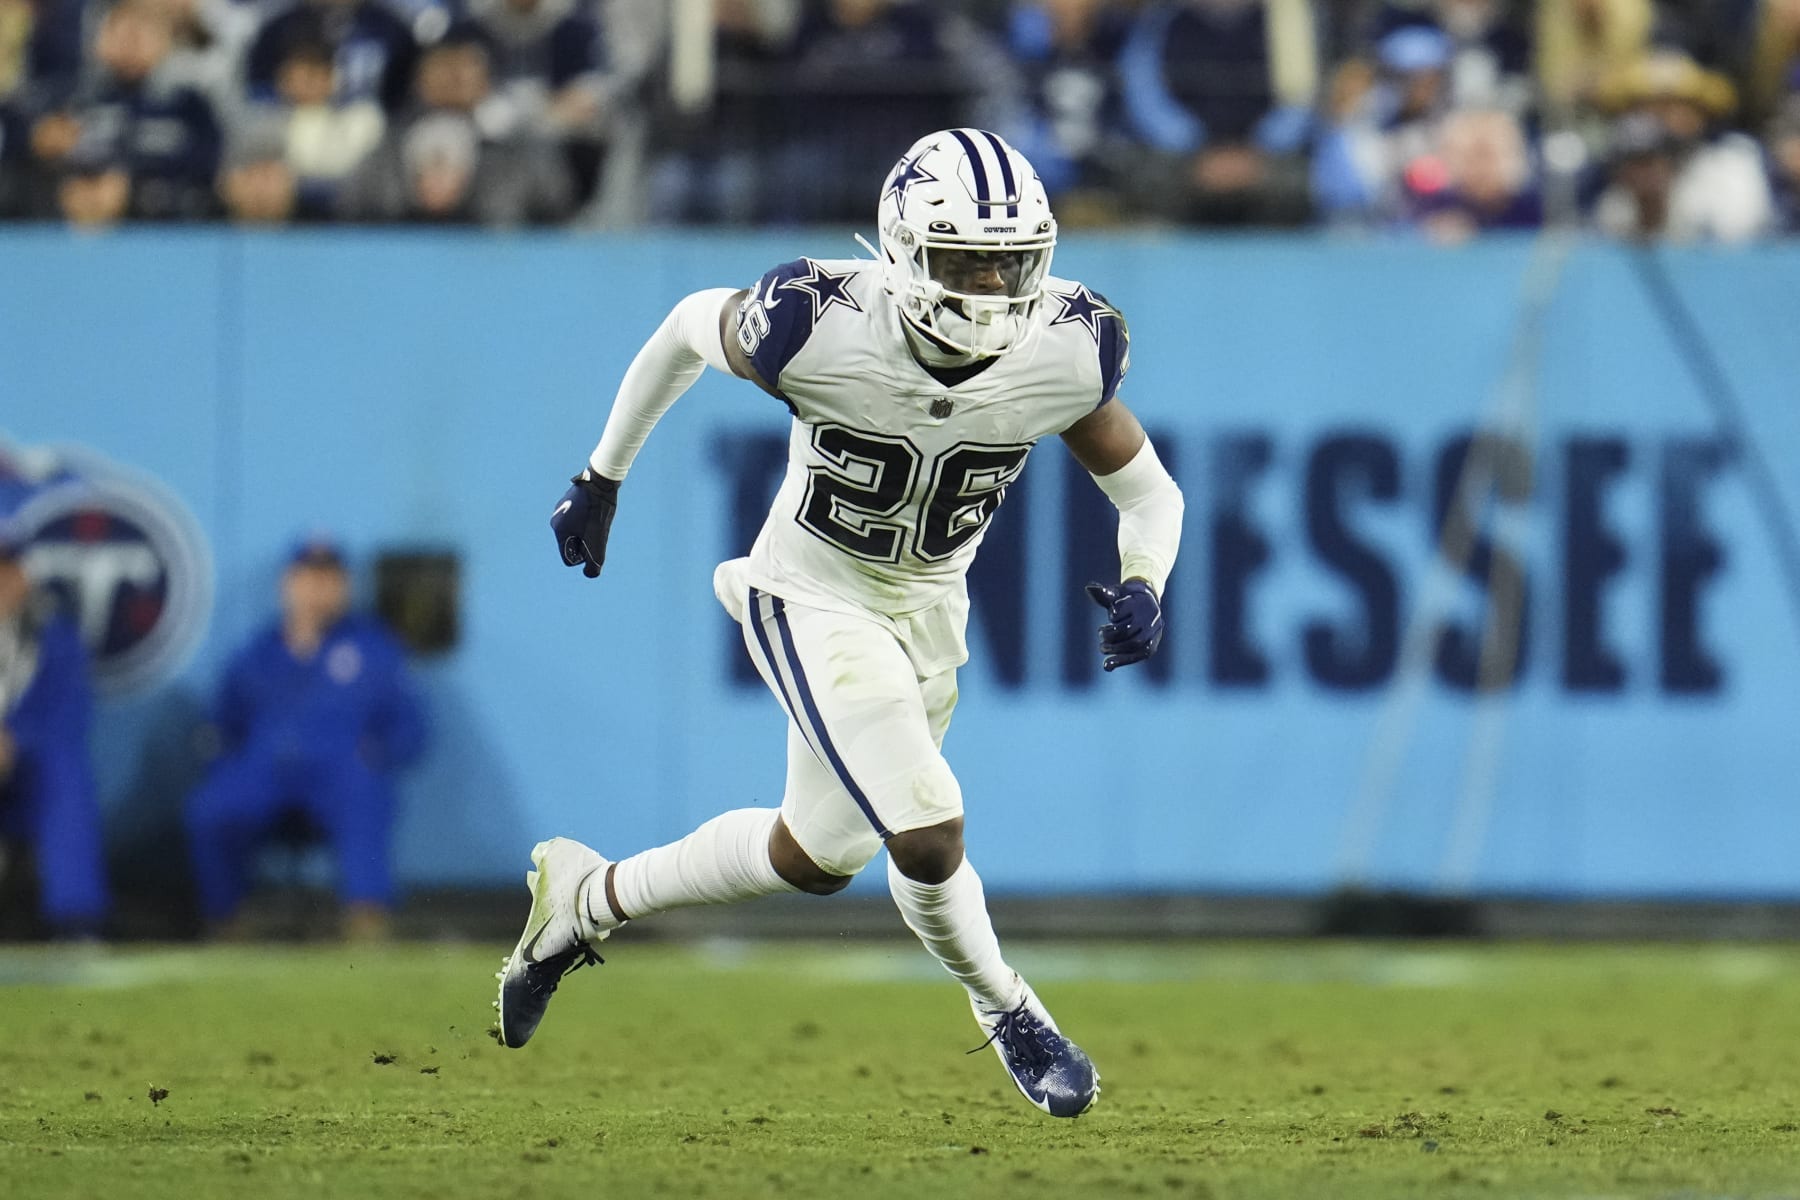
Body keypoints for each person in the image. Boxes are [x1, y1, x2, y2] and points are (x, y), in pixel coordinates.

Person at [499, 128, 1184, 1120]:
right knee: (929, 825)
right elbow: (689, 326)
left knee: (814, 858)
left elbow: (1149, 494)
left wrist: (1146, 579)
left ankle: (585, 899)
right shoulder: (816, 320)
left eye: (1010, 260)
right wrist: (601, 474)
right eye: (963, 260)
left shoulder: (1068, 348)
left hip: (929, 612)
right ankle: (1012, 1010)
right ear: (904, 250)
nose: (991, 287)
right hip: (811, 594)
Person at [184, 538, 426, 940]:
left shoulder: (375, 650)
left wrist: (377, 754)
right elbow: (222, 725)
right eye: (308, 578)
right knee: (212, 806)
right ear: (288, 584)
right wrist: (225, 761)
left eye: (330, 579)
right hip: (265, 771)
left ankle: (367, 921)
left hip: (339, 772)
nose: (318, 589)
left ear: (345, 586)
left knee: (364, 794)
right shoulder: (257, 653)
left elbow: (411, 729)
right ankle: (225, 922)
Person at [0, 525, 108, 939]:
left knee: (65, 772)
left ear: (26, 575)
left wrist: (14, 740)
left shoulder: (55, 636)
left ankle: (76, 918)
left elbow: (67, 717)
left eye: (8, 570)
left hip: (27, 773)